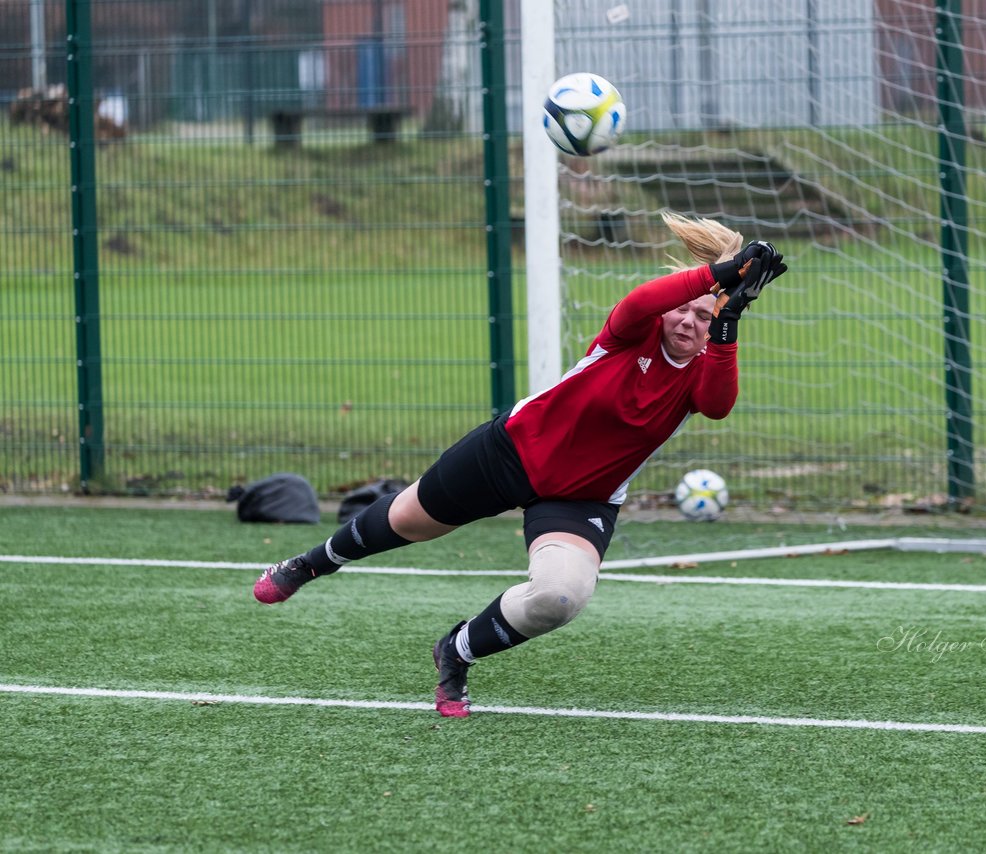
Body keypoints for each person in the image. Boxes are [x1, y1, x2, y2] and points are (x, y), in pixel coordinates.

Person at [253, 212, 788, 717]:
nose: (688, 321)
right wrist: (716, 276)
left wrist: (729, 319)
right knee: (406, 523)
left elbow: (719, 405)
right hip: (513, 451)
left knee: (560, 596)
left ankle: (456, 652)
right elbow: (642, 298)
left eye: (703, 316)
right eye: (685, 308)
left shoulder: (702, 369)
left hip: (582, 498)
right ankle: (308, 564)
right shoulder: (635, 329)